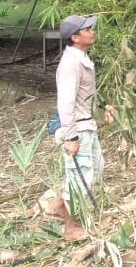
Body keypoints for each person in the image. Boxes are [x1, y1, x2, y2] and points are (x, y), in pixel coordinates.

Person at [46, 15, 104, 241]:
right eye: (87, 29)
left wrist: (102, 106)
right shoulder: (70, 64)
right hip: (77, 129)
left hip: (86, 124)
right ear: (75, 37)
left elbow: (85, 94)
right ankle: (70, 228)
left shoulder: (81, 58)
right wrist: (71, 136)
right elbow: (65, 102)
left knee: (96, 167)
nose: (92, 31)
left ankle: (58, 204)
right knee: (81, 177)